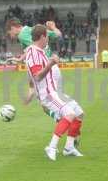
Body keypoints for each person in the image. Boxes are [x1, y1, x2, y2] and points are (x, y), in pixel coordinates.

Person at [26, 24, 84, 161]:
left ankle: (69, 148)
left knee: (79, 114)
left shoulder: (38, 51)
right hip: (48, 94)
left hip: (55, 92)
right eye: (46, 36)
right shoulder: (34, 53)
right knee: (69, 114)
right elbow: (37, 76)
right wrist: (51, 63)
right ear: (42, 37)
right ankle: (51, 147)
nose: (48, 39)